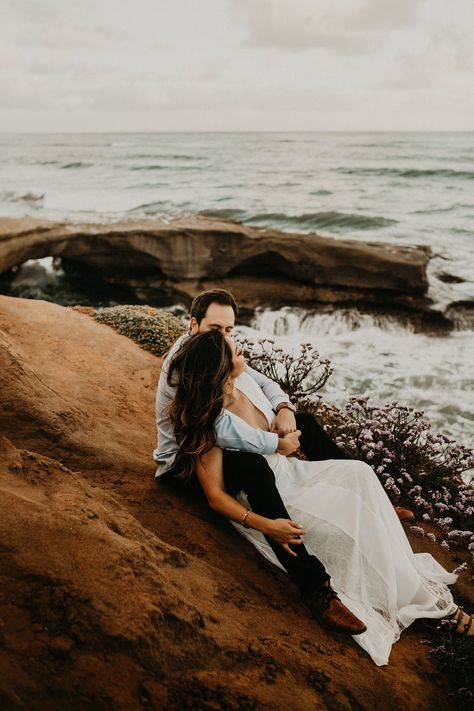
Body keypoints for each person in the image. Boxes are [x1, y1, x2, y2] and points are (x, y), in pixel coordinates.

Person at [166, 330, 474, 666]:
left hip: (291, 473)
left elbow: (276, 398)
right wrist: (267, 524)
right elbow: (214, 496)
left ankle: (412, 589)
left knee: (359, 474)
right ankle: (406, 601)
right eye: (237, 352)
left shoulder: (247, 384)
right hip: (271, 496)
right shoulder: (208, 418)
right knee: (349, 526)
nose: (245, 353)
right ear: (222, 368)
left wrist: (285, 412)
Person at [154, 289, 370, 634]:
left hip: (218, 445)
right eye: (215, 328)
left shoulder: (216, 347)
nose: (225, 336)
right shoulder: (186, 364)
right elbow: (216, 428)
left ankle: (362, 495)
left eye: (230, 329)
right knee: (256, 470)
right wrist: (277, 444)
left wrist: (284, 410)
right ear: (193, 324)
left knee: (306, 423)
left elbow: (262, 382)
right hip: (184, 462)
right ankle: (316, 589)